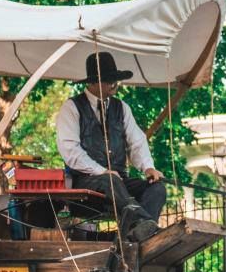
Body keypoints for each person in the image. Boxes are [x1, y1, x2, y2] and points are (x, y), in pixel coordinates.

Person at [55, 52, 165, 242]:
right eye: (109, 80)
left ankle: (137, 236)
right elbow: (70, 151)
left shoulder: (122, 108)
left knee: (157, 188)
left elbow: (137, 141)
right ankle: (143, 225)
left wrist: (148, 167)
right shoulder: (71, 107)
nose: (114, 84)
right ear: (93, 83)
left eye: (115, 79)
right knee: (109, 181)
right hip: (86, 184)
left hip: (118, 183)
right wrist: (102, 171)